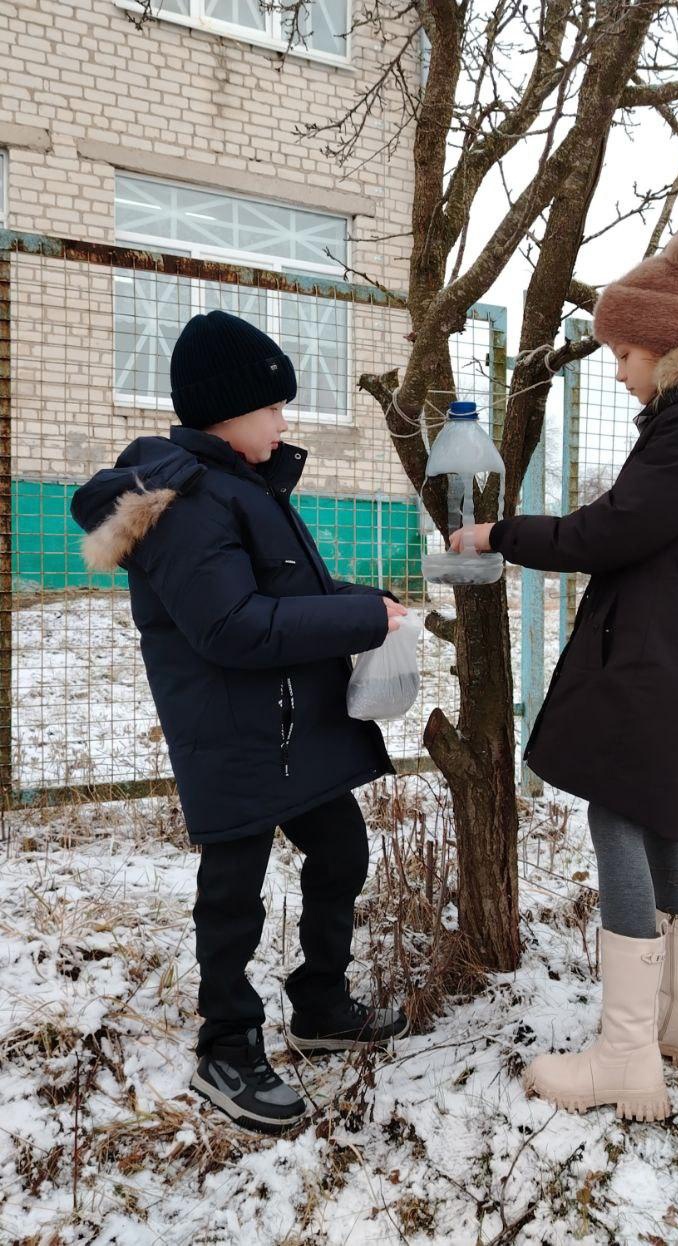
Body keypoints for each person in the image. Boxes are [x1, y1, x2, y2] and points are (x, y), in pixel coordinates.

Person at [454, 225, 678, 1119]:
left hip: (651, 649)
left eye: (624, 351)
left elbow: (613, 530)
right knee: (656, 819)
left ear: (670, 346)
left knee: (621, 812)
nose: (617, 369)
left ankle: (625, 1057)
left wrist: (500, 534)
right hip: (672, 645)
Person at [71, 310, 409, 1133]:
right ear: (229, 412)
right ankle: (226, 1043)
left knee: (339, 848)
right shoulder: (189, 501)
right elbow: (232, 627)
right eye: (275, 408)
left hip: (290, 723)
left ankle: (320, 1005)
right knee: (234, 893)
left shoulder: (245, 485)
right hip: (233, 730)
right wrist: (362, 622)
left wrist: (370, 605)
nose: (285, 421)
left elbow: (284, 595)